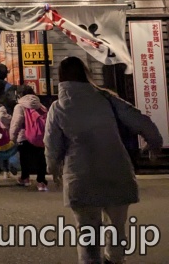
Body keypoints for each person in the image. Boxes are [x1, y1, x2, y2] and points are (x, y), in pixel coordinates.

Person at [44, 56, 163, 264]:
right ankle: (115, 259)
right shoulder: (106, 98)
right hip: (116, 171)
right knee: (117, 228)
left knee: (88, 235)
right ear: (86, 73)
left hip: (81, 176)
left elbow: (52, 143)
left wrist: (52, 167)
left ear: (60, 78)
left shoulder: (58, 107)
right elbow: (139, 119)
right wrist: (154, 143)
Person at [10, 84, 48, 190]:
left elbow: (16, 123)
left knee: (24, 158)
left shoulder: (20, 106)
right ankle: (41, 182)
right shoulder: (40, 106)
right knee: (40, 159)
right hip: (40, 136)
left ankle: (25, 178)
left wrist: (12, 137)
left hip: (24, 136)